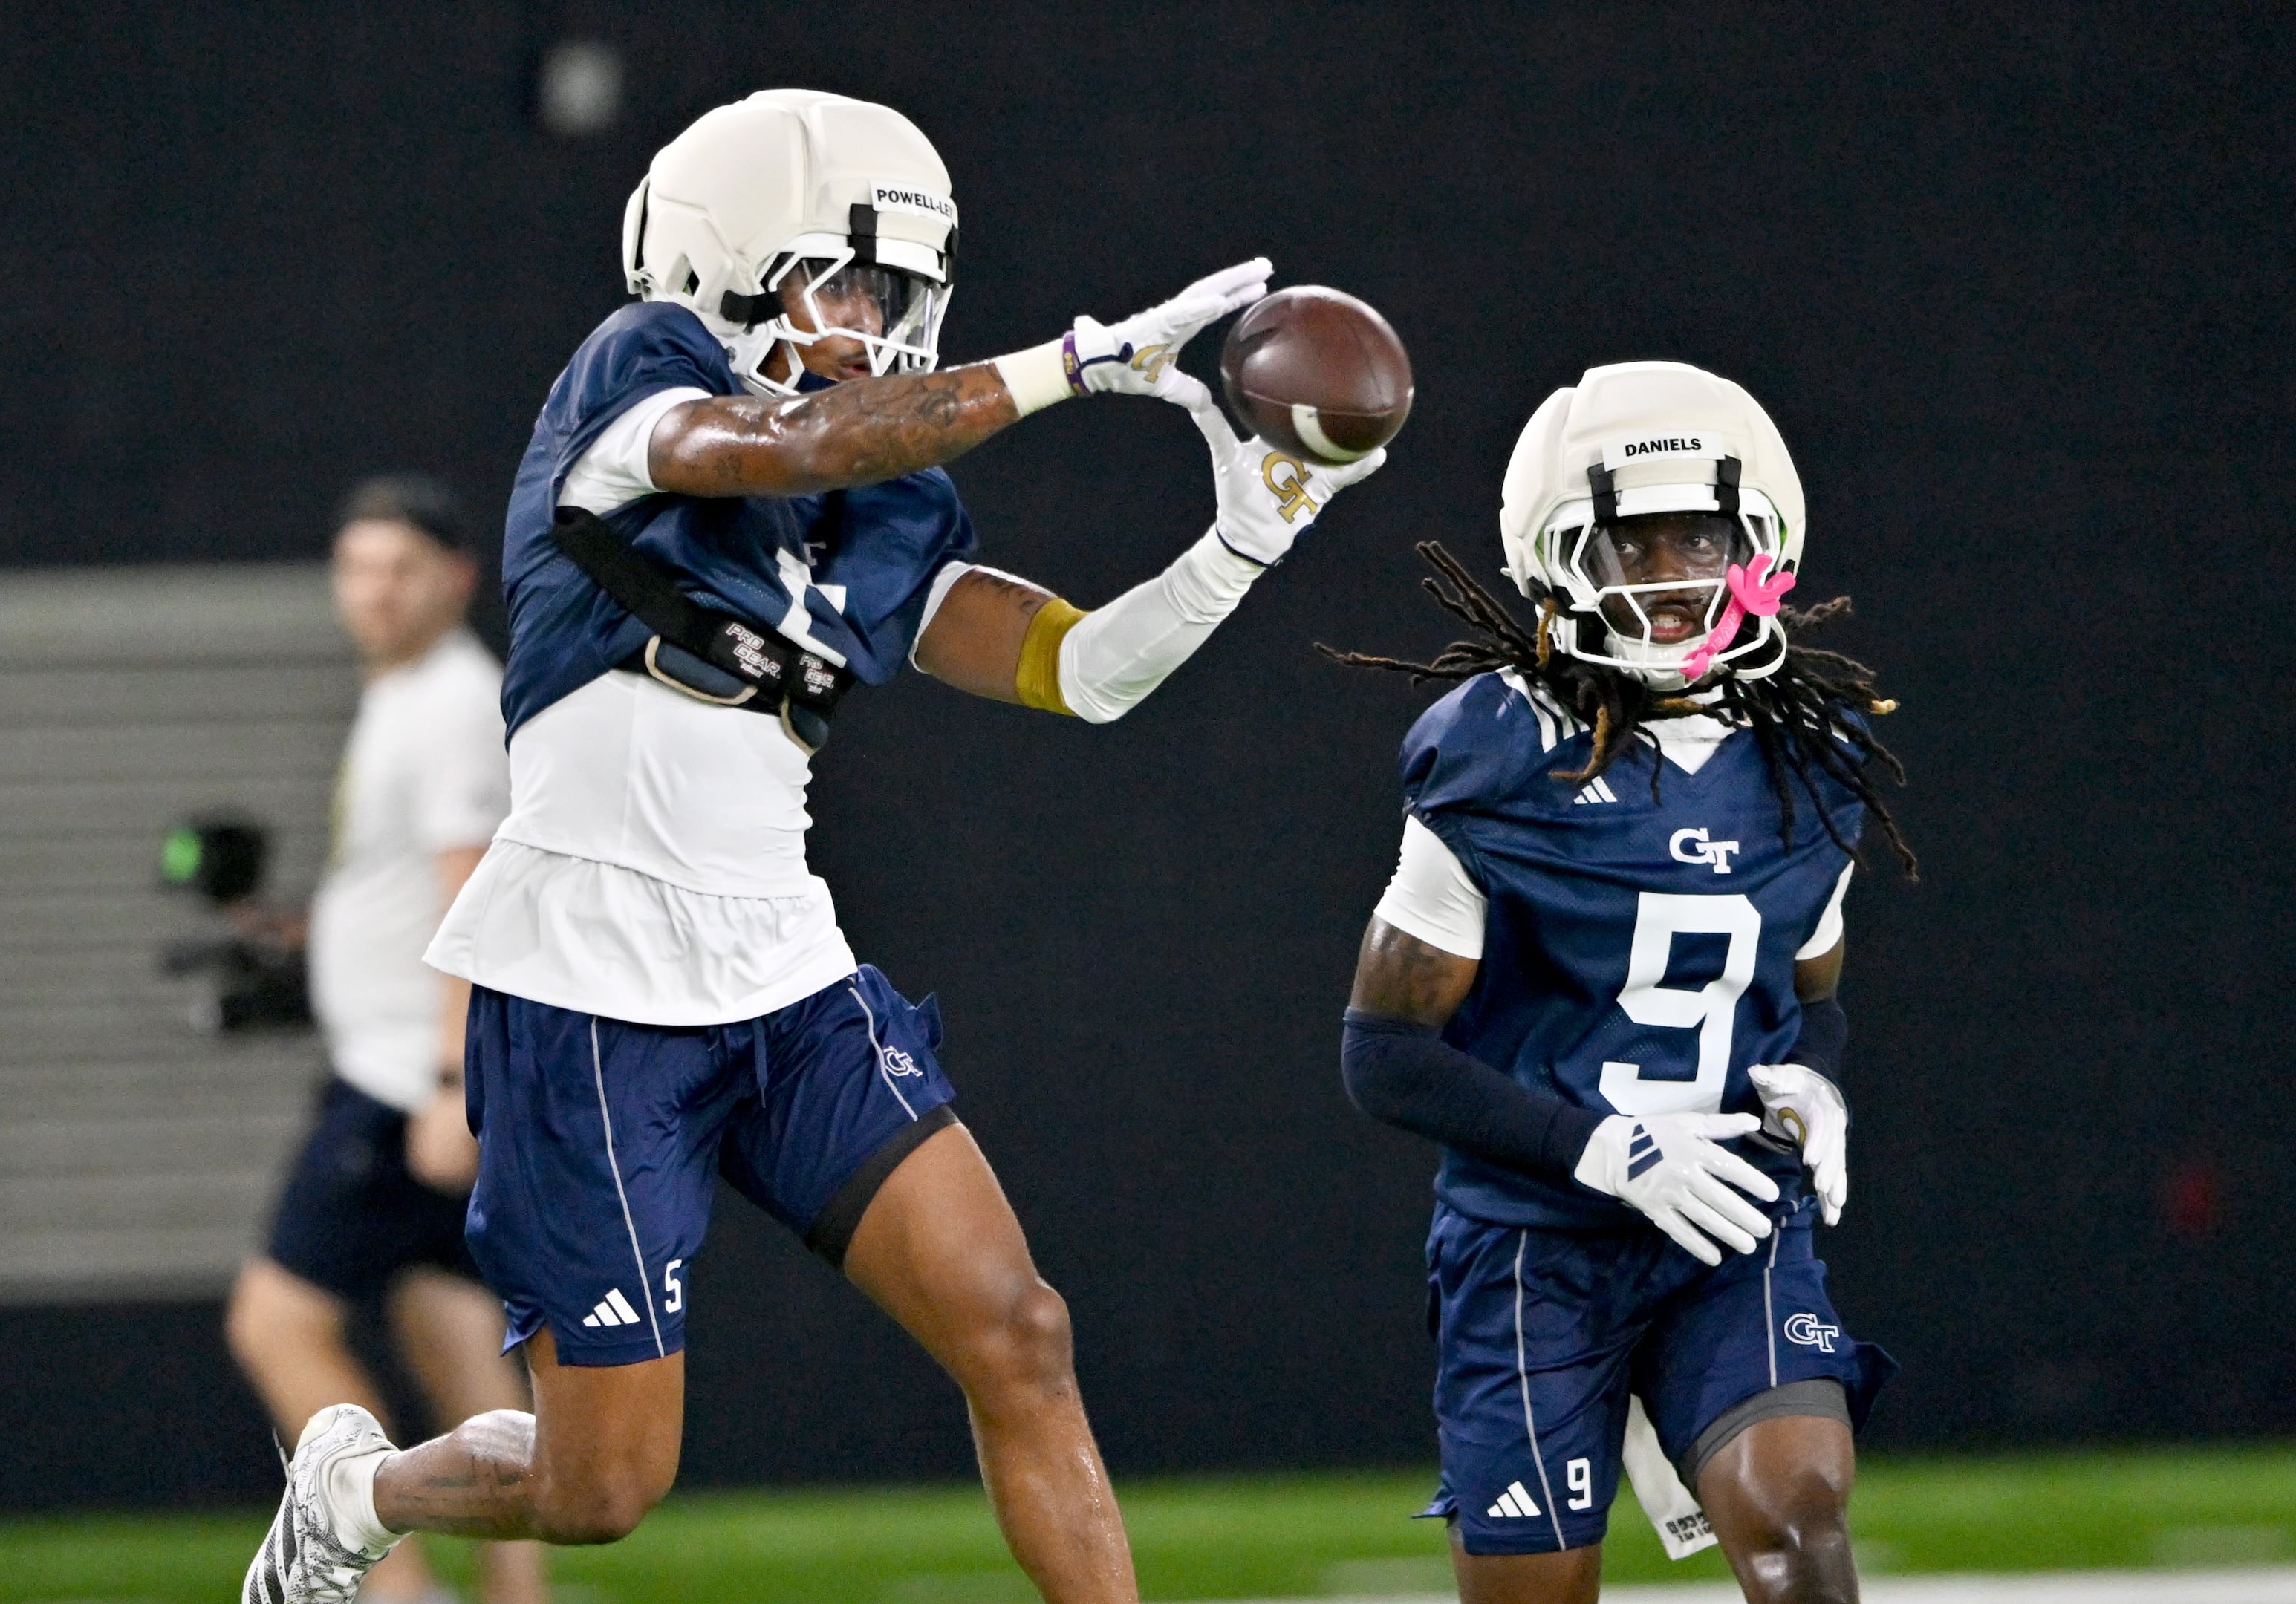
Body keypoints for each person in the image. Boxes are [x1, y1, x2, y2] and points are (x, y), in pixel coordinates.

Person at [241, 89, 1386, 1604]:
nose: (878, 323)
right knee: (600, 1485)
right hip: (590, 986)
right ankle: (355, 1491)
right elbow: (768, 446)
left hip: (779, 968)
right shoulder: (638, 373)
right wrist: (1078, 364)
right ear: (720, 261)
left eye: (902, 295)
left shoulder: (890, 499)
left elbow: (1087, 673)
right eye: (843, 284)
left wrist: (1250, 536)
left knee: (1018, 1330)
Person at [1326, 362, 1908, 1604]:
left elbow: (1812, 998)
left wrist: (1815, 1078)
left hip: (1729, 1224)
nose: (1673, 577)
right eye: (1632, 546)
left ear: (1763, 547)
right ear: (1560, 563)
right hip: (1534, 1246)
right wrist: (1604, 1153)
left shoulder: (1815, 762)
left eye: (1701, 537)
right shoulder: (1500, 752)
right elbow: (1382, 1052)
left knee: (1802, 1530)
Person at [224, 477, 547, 1604]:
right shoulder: (410, 696)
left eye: (399, 568)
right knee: (454, 1337)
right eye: (356, 567)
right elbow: (413, 886)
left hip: (405, 1081)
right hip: (409, 1070)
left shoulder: (451, 702)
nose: (372, 591)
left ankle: (391, 1581)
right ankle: (517, 1592)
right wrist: (311, 940)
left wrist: (450, 1084)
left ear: (456, 579)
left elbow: (473, 897)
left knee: (274, 1320)